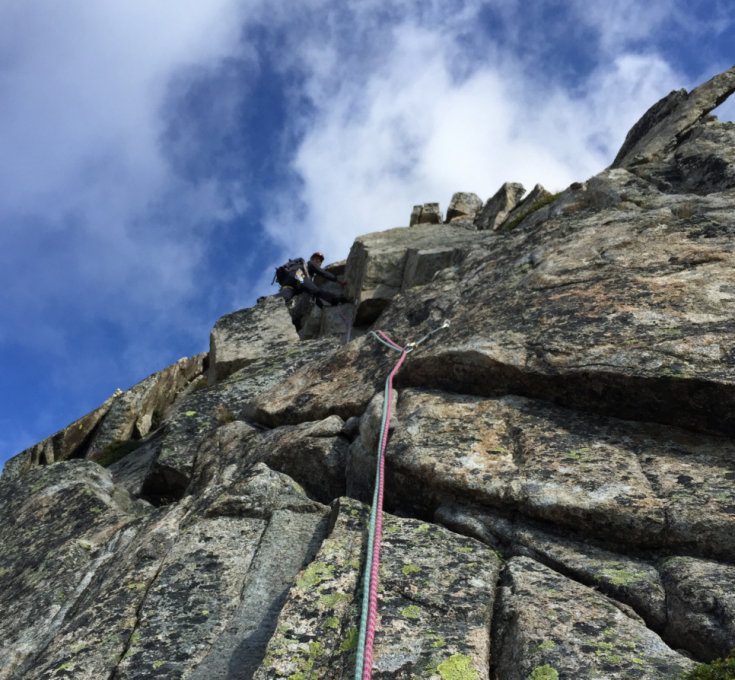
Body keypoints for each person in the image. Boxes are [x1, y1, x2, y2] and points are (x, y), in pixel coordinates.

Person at [276, 252, 350, 307]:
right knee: (316, 290)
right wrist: (338, 281)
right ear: (312, 259)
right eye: (316, 258)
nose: (317, 261)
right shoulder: (310, 264)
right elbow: (323, 273)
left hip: (288, 283)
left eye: (319, 260)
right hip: (298, 275)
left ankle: (271, 302)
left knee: (284, 297)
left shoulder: (307, 273)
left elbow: (311, 292)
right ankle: (336, 300)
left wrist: (321, 306)